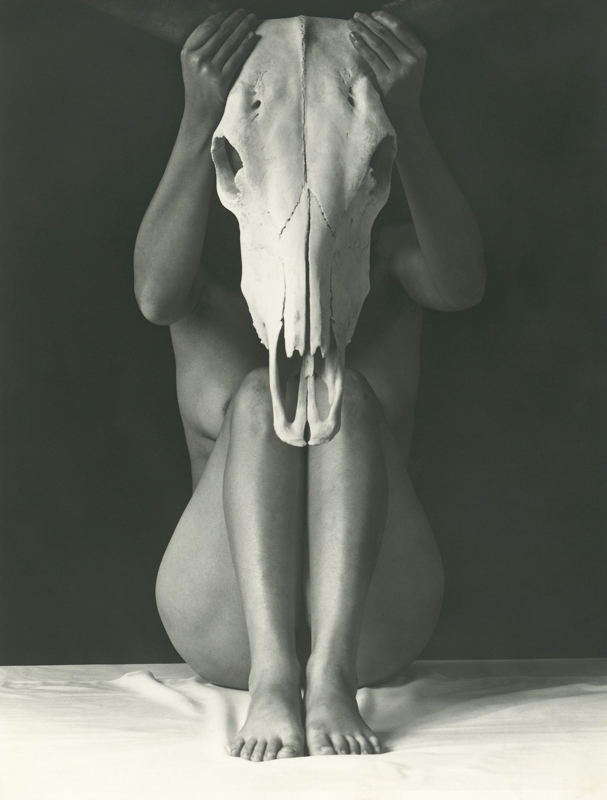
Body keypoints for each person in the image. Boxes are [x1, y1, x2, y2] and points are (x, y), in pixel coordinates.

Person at [134, 7, 485, 761]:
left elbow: (462, 287)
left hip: (373, 626)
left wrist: (406, 122)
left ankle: (329, 676)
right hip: (224, 620)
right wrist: (199, 120)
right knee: (257, 399)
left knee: (346, 397)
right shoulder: (201, 296)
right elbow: (154, 298)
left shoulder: (388, 269)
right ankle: (273, 676)